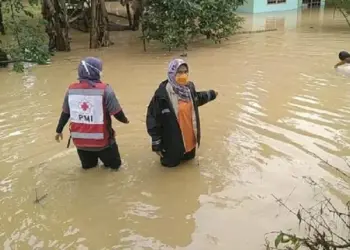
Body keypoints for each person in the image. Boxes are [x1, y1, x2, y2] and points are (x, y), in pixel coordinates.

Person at [55, 57, 129, 171]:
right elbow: (117, 113)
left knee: (89, 170)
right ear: (96, 71)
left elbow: (65, 113)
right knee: (116, 169)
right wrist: (126, 121)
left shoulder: (71, 90)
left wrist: (59, 130)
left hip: (80, 142)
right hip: (103, 142)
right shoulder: (105, 90)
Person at [146, 58, 218, 168]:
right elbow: (152, 118)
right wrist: (156, 143)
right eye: (179, 72)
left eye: (185, 71)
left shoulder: (189, 88)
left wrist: (211, 94)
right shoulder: (162, 94)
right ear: (172, 73)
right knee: (170, 173)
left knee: (189, 167)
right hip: (171, 143)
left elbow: (196, 99)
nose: (183, 75)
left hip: (190, 140)